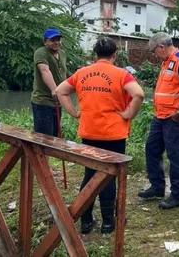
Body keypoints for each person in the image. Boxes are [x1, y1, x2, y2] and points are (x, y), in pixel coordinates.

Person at [55, 37, 145, 234]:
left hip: (89, 131)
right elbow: (139, 94)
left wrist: (74, 112)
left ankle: (85, 221)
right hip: (114, 133)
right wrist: (129, 113)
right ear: (114, 55)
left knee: (90, 174)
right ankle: (107, 223)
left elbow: (60, 91)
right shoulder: (121, 74)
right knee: (109, 177)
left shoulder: (82, 73)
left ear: (95, 55)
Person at [138, 32, 179, 210]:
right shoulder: (166, 62)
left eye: (154, 51)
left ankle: (176, 195)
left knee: (176, 155)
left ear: (161, 47)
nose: (154, 55)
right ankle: (157, 187)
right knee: (152, 148)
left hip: (174, 117)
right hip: (160, 116)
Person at [31, 29, 67, 137]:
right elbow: (44, 70)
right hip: (43, 101)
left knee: (55, 136)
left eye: (58, 39)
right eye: (53, 40)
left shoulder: (62, 53)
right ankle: (38, 154)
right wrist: (54, 90)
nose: (57, 42)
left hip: (57, 101)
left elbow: (63, 72)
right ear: (45, 42)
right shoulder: (41, 52)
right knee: (44, 138)